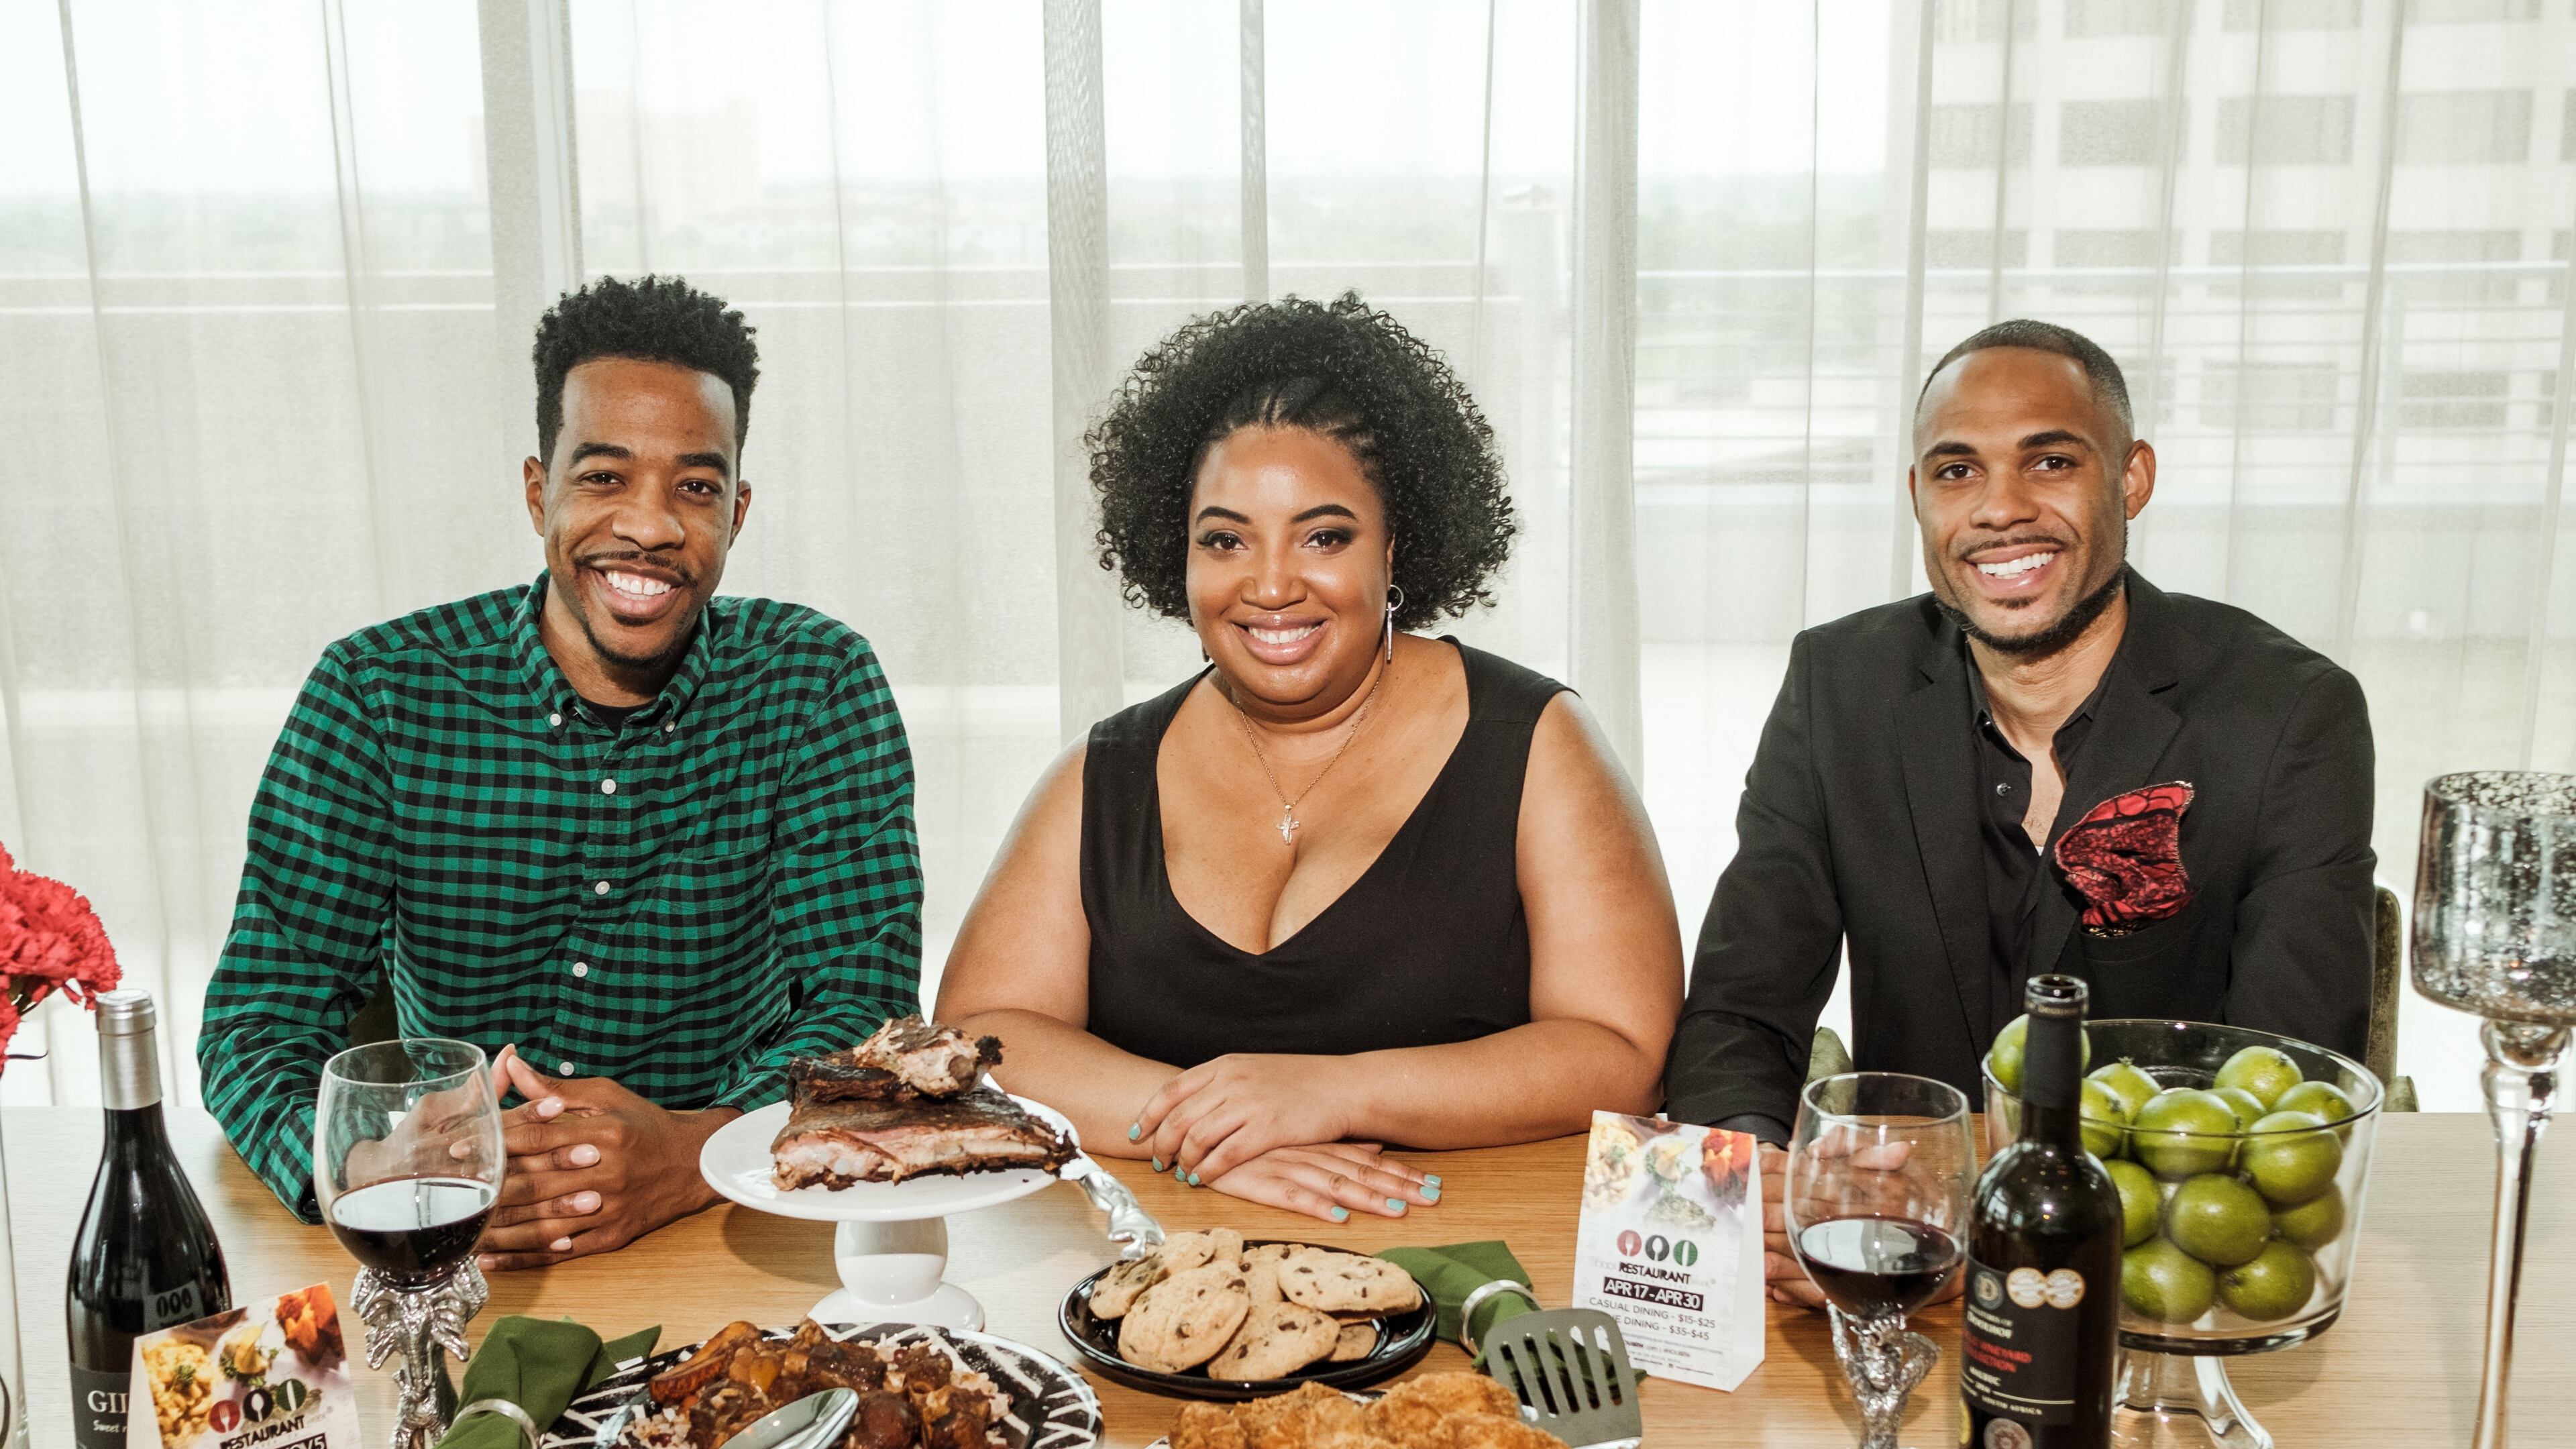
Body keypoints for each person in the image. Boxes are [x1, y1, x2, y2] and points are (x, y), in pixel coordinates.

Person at [199, 276, 922, 1270]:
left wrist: (697, 1150)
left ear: (738, 512)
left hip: (720, 1218)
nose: (650, 526)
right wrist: (368, 1168)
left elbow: (866, 1008)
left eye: (695, 488)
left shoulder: (816, 685)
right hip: (454, 1231)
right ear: (540, 492)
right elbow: (258, 1018)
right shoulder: (378, 693)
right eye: (605, 477)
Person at [1664, 319, 2375, 1306]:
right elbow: (1740, 1013)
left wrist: (1984, 1199)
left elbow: (2291, 1082)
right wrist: (1760, 1192)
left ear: (2131, 479)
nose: (2000, 508)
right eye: (1957, 471)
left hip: (2162, 1279)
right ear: (1918, 496)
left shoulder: (2290, 713)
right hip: (1893, 1267)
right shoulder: (1839, 686)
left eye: (2050, 461)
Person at [935, 294, 1682, 1222]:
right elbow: (981, 1034)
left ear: (1394, 549)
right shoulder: (1103, 774)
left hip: (1469, 1256)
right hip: (1160, 1262)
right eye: (1225, 540)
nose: (1272, 584)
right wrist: (1209, 1131)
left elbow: (1619, 1051)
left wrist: (1330, 1092)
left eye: (1324, 536)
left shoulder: (1535, 742)